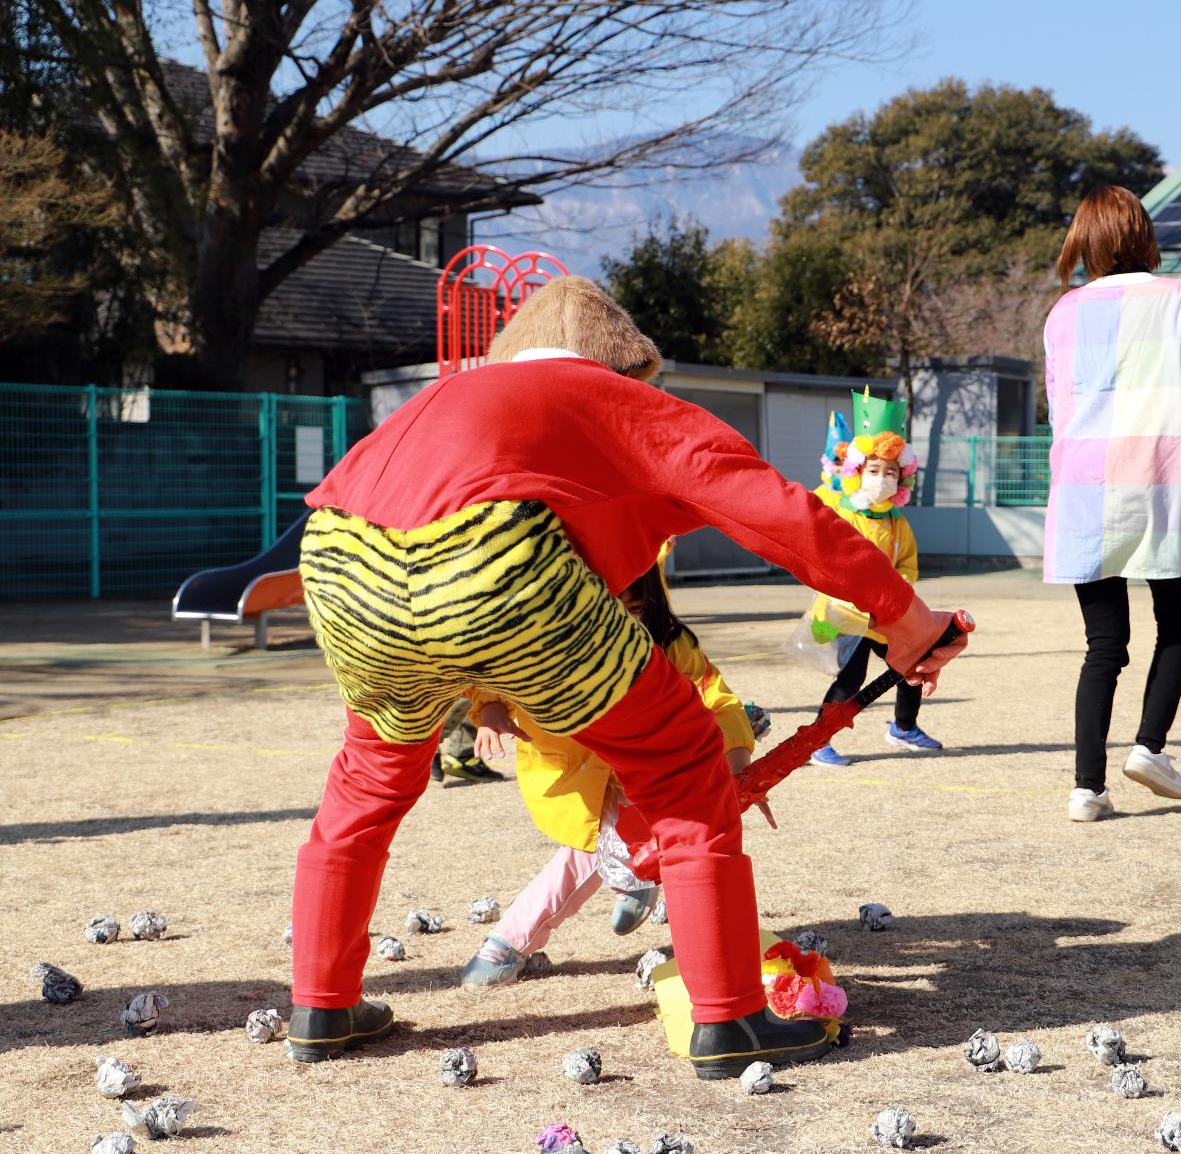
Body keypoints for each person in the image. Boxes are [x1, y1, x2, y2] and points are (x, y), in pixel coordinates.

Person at [285, 276, 965, 1080]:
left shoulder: (451, 398)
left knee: (367, 784)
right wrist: (906, 618)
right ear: (627, 365)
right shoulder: (605, 395)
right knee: (682, 763)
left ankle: (322, 1004)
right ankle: (729, 1020)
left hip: (336, 556)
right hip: (493, 561)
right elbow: (770, 508)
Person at [460, 560, 770, 984]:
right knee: (590, 847)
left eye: (634, 610)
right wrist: (491, 710)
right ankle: (631, 883)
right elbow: (497, 671)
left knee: (617, 845)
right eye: (607, 608)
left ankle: (511, 942)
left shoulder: (669, 643)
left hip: (650, 768)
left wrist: (736, 764)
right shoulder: (546, 640)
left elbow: (715, 696)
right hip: (574, 769)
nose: (621, 623)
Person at [1042, 186, 1181, 821]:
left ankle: (1086, 788)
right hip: (1161, 479)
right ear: (1141, 235)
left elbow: (1060, 412)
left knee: (1103, 645)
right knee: (1178, 626)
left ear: (1087, 240)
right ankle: (1150, 747)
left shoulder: (1062, 313)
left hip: (1083, 489)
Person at [809, 392, 939, 764]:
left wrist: (898, 588)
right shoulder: (845, 516)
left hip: (886, 614)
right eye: (874, 470)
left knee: (915, 660)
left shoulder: (898, 521)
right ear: (857, 472)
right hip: (850, 615)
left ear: (903, 478)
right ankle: (818, 741)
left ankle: (904, 725)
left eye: (891, 471)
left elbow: (908, 563)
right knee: (850, 680)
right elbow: (831, 563)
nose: (883, 478)